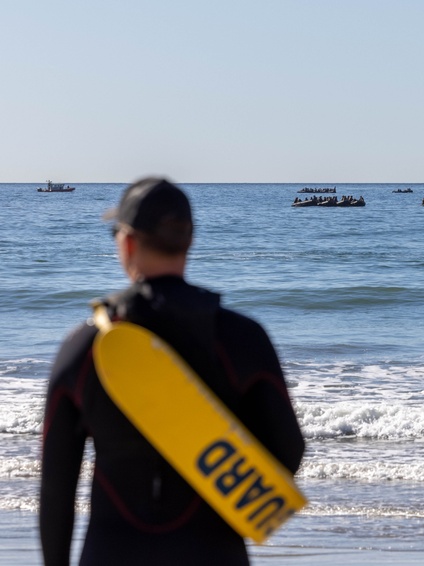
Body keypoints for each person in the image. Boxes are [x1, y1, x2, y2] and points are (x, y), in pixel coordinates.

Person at [40, 178, 305, 565]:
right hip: (215, 554)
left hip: (112, 554)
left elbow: (56, 488)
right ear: (189, 240)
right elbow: (288, 450)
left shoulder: (86, 346)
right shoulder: (241, 338)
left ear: (127, 242)